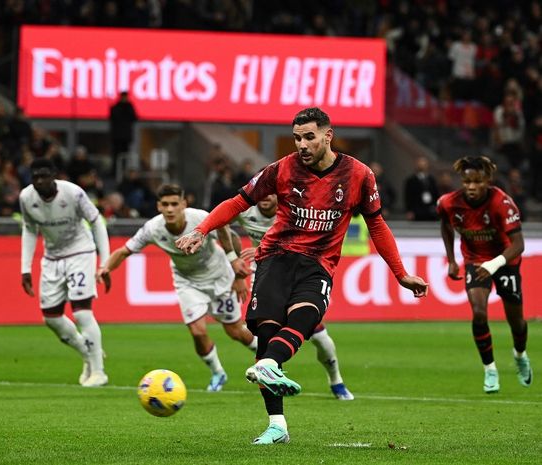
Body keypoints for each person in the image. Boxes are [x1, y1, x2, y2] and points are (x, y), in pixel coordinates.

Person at [175, 107, 428, 445]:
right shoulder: (281, 170)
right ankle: (277, 425)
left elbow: (377, 225)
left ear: (328, 135)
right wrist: (203, 229)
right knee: (266, 332)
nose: (302, 145)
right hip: (275, 257)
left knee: (307, 316)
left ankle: (270, 366)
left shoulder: (358, 175)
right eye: (296, 138)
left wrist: (401, 274)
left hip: (318, 262)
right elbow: (238, 201)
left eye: (309, 137)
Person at [96, 184, 257, 392]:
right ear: (158, 206)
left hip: (219, 276)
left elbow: (229, 234)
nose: (170, 209)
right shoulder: (153, 228)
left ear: (183, 204)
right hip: (187, 281)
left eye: (174, 204)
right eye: (165, 204)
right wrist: (106, 267)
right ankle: (218, 372)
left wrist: (236, 271)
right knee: (197, 331)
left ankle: (267, 357)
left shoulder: (200, 218)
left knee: (236, 332)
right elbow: (124, 251)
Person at [235, 193, 354, 400]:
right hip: (266, 277)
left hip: (297, 274)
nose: (265, 198)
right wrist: (232, 259)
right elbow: (222, 224)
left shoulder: (294, 210)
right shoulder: (246, 212)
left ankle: (336, 379)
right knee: (266, 335)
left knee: (318, 337)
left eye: (271, 193)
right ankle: (275, 414)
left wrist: (260, 249)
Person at [437, 156, 532, 394]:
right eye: (466, 181)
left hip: (506, 259)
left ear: (487, 180)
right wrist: (451, 259)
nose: (471, 186)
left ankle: (520, 354)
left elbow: (519, 244)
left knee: (516, 321)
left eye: (477, 181)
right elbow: (446, 226)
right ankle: (490, 369)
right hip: (475, 260)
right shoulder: (448, 203)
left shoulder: (502, 203)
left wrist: (495, 264)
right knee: (479, 313)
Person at [20, 158, 111, 387]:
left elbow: (97, 221)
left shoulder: (73, 193)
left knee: (81, 313)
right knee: (51, 319)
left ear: (55, 176)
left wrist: (105, 262)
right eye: (35, 177)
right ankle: (89, 353)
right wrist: (25, 268)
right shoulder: (26, 198)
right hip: (51, 258)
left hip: (81, 252)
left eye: (44, 176)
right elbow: (30, 230)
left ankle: (99, 372)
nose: (39, 181)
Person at [108, 91, 138, 177]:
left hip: (126, 137)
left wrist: (128, 106)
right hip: (117, 137)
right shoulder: (116, 107)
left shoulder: (129, 107)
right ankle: (115, 173)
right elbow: (113, 117)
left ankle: (125, 172)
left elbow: (134, 118)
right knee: (116, 155)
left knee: (125, 156)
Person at [404, 156, 440, 221]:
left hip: (431, 210)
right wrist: (409, 210)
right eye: (420, 163)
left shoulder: (432, 180)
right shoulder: (411, 180)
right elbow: (407, 196)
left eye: (424, 164)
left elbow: (436, 194)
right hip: (417, 210)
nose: (422, 165)